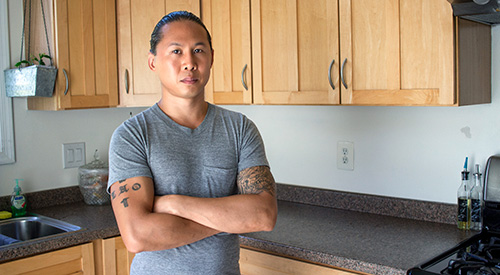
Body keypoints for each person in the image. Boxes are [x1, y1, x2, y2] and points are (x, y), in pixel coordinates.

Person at [107, 11, 277, 274]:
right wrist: (231, 220)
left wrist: (173, 204)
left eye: (198, 50)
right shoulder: (132, 135)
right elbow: (138, 236)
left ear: (211, 58)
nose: (189, 62)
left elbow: (263, 215)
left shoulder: (240, 129)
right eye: (176, 51)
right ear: (152, 62)